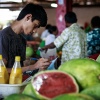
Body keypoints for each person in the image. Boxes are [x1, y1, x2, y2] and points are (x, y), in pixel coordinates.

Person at [0, 3, 50, 73]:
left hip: (18, 82)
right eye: (35, 25)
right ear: (28, 17)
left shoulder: (22, 39)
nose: (35, 31)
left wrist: (41, 65)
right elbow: (1, 71)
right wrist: (33, 66)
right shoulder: (3, 36)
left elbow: (20, 67)